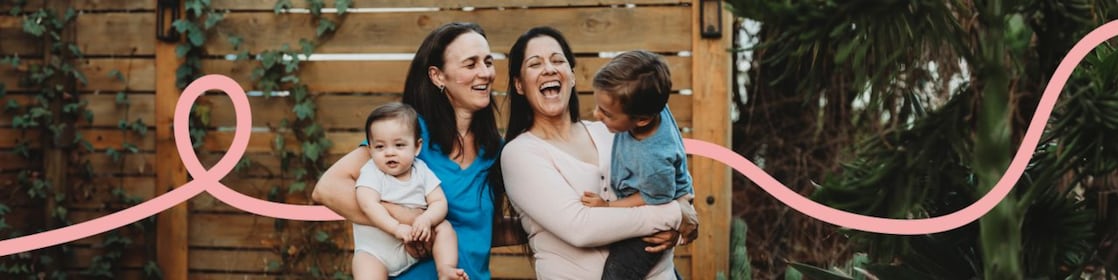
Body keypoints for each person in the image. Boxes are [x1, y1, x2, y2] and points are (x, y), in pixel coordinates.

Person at [313, 22, 511, 280]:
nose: (485, 73)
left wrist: (562, 221)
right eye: (470, 64)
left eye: (488, 62)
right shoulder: (410, 136)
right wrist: (407, 221)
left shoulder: (496, 149)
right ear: (438, 76)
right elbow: (327, 188)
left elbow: (484, 231)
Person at [498, 26, 699, 279]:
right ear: (519, 84)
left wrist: (680, 205)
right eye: (535, 64)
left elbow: (663, 174)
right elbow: (581, 227)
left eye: (557, 60)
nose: (549, 68)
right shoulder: (519, 154)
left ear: (571, 76)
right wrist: (674, 214)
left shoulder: (613, 130)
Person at [579, 50, 695, 279]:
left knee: (617, 273)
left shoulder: (651, 157)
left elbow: (657, 199)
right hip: (658, 192)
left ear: (642, 119)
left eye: (606, 113)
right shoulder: (652, 103)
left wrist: (607, 206)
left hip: (658, 209)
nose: (596, 115)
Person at [351, 102, 465, 280]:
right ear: (370, 149)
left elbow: (439, 202)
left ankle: (446, 269)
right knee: (365, 267)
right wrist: (395, 228)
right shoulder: (372, 171)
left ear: (417, 147)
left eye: (399, 145)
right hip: (374, 253)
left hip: (412, 248)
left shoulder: (422, 171)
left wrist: (427, 218)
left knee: (444, 228)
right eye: (380, 147)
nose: (389, 153)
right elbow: (368, 204)